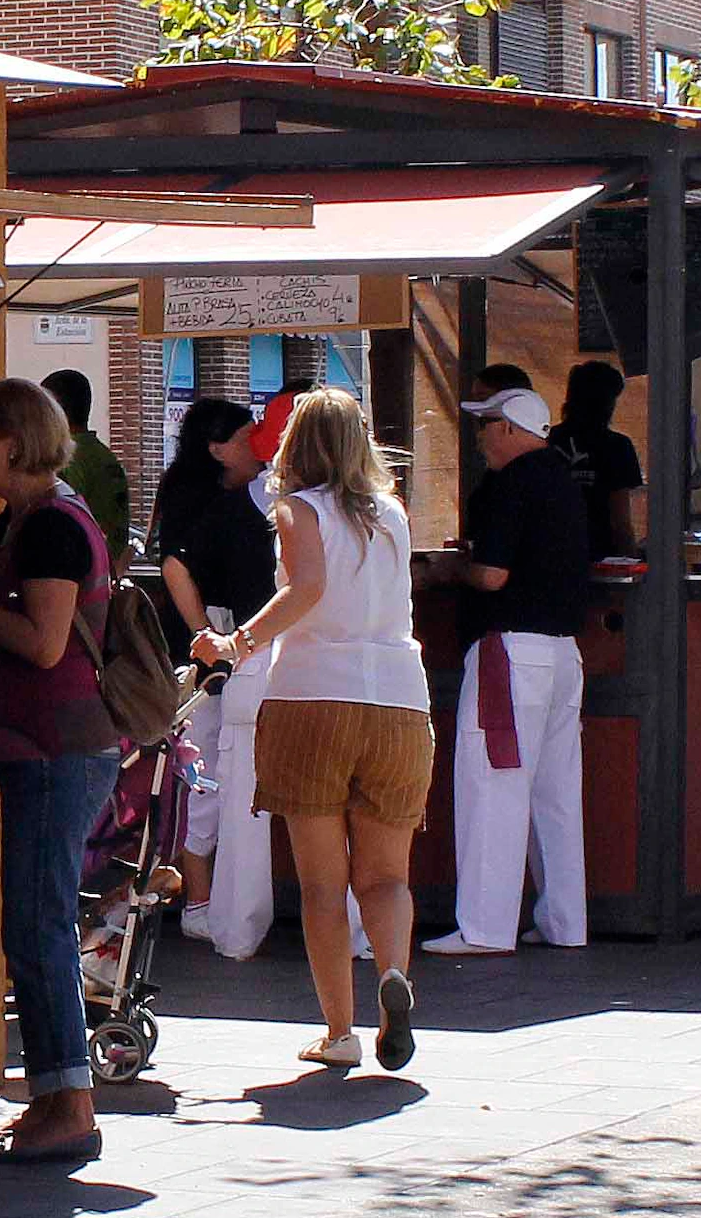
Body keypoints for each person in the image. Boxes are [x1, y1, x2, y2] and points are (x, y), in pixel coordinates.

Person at [190, 387, 427, 1073]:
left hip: (313, 697)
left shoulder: (297, 508)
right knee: (386, 876)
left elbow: (309, 587)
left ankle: (340, 1030)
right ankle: (394, 980)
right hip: (400, 701)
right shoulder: (393, 514)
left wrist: (237, 643)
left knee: (324, 883)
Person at [0, 379, 120, 1168]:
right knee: (33, 922)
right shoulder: (27, 518)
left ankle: (71, 1104)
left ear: (13, 443)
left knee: (39, 924)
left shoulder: (53, 525)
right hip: (40, 750)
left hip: (59, 750)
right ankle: (56, 1098)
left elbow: (47, 642)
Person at [437, 382, 593, 956]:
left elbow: (493, 575)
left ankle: (485, 927)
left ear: (507, 429)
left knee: (494, 783)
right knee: (556, 791)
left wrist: (454, 570)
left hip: (510, 647)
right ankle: (565, 920)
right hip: (563, 652)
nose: (479, 438)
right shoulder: (564, 482)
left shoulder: (510, 483)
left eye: (485, 426)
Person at [157, 399, 280, 959]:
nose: (257, 441)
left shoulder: (229, 498)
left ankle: (206, 903)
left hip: (224, 644)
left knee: (214, 775)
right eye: (246, 433)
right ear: (217, 448)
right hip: (219, 648)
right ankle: (201, 903)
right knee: (207, 774)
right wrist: (207, 635)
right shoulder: (217, 504)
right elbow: (176, 566)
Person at [552, 361, 652, 557]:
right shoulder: (616, 446)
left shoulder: (550, 441)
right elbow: (620, 520)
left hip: (554, 555)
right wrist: (631, 559)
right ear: (607, 402)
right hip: (602, 556)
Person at [43, 366, 132, 563]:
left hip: (81, 570)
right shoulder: (103, 455)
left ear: (56, 410)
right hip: (107, 566)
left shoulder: (65, 460)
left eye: (44, 407)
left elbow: (62, 522)